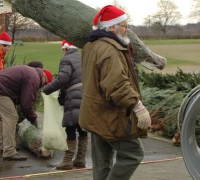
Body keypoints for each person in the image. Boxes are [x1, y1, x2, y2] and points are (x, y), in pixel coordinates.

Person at [79, 5, 151, 180]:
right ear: (113, 27)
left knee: (101, 164)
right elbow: (116, 86)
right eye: (125, 25)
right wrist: (138, 107)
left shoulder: (91, 45)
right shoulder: (110, 50)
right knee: (133, 153)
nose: (127, 30)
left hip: (95, 114)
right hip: (109, 115)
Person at [42, 40, 88, 170]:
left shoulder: (66, 59)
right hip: (85, 95)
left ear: (65, 48)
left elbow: (63, 79)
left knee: (71, 127)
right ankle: (80, 159)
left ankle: (67, 161)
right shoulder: (82, 58)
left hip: (73, 96)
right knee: (82, 127)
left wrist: (46, 90)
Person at [0, 65, 53, 161]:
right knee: (11, 118)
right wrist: (33, 119)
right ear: (43, 76)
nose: (43, 86)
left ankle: (3, 145)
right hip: (1, 90)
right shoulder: (34, 78)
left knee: (3, 118)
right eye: (45, 83)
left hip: (2, 88)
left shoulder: (32, 73)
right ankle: (9, 152)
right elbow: (26, 103)